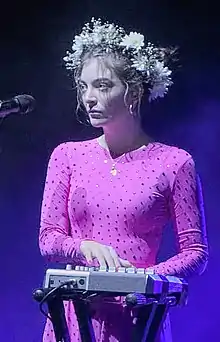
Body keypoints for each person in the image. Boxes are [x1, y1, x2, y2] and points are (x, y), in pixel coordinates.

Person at [39, 18, 209, 342]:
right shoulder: (67, 156)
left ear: (133, 91)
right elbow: (48, 239)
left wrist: (144, 278)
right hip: (74, 318)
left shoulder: (174, 163)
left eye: (102, 86)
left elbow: (196, 252)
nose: (89, 97)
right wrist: (82, 246)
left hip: (137, 318)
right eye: (83, 86)